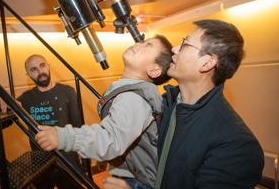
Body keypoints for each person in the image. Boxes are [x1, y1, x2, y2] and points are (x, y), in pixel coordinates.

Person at [103, 19, 264, 189]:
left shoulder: (236, 146)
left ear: (207, 63)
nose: (174, 49)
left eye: (184, 44)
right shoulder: (163, 106)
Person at [35, 35, 173, 189]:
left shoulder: (133, 98)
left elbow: (111, 139)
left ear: (154, 71)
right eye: (142, 41)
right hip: (132, 175)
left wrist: (64, 137)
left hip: (138, 182)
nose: (139, 43)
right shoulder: (131, 91)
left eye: (148, 45)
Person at [11, 54, 83, 189]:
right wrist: (3, 103)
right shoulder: (25, 99)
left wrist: (83, 160)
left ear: (48, 66)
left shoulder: (68, 91)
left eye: (42, 65)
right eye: (33, 70)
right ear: (28, 75)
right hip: (41, 162)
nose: (40, 72)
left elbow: (78, 126)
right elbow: (4, 122)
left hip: (68, 158)